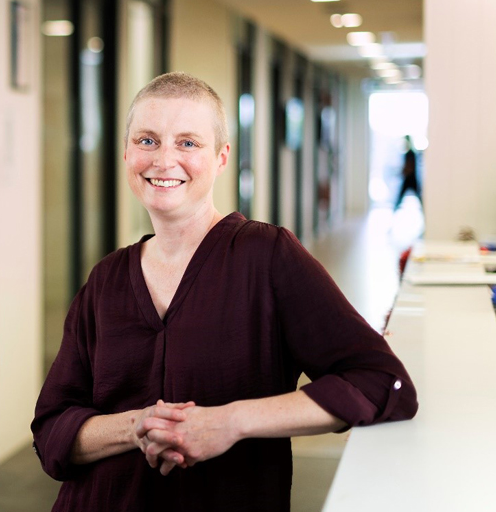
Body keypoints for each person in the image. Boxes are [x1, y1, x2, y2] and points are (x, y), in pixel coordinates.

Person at [31, 72, 417, 511]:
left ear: (221, 157)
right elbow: (52, 431)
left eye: (188, 143)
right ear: (125, 153)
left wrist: (230, 421)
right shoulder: (106, 280)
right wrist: (137, 425)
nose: (164, 160)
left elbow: (382, 382)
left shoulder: (267, 256)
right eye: (147, 140)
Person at [394, 134, 421, 210]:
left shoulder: (411, 154)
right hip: (408, 178)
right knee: (400, 197)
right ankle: (394, 212)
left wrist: (404, 171)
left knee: (418, 197)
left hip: (411, 178)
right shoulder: (407, 154)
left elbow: (410, 167)